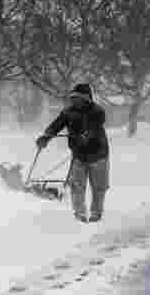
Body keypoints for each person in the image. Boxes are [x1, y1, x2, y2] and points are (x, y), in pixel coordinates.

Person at [36, 83, 109, 222]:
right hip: (79, 155)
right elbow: (56, 125)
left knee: (99, 187)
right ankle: (79, 215)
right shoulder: (68, 112)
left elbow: (94, 127)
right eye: (72, 97)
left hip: (98, 155)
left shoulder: (97, 111)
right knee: (76, 186)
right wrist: (46, 137)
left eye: (77, 98)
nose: (74, 100)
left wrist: (86, 136)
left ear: (86, 98)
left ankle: (96, 214)